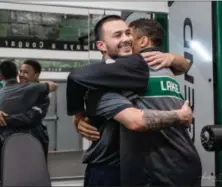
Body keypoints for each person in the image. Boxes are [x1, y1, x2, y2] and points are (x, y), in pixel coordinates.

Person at [66, 15, 201, 186]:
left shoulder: (142, 66)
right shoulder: (100, 83)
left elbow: (184, 66)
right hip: (107, 169)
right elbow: (135, 121)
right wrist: (77, 114)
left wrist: (173, 58)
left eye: (128, 33)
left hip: (140, 168)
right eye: (117, 35)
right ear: (101, 45)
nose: (127, 39)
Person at [0, 60, 56, 159]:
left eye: (26, 72)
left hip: (33, 137)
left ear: (36, 75)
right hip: (8, 137)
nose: (22, 75)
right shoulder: (9, 88)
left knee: (34, 170)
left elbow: (31, 117)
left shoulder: (42, 95)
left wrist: (2, 119)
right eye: (21, 71)